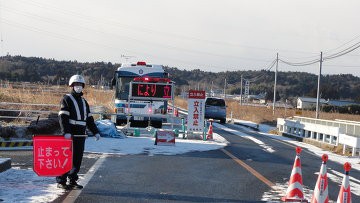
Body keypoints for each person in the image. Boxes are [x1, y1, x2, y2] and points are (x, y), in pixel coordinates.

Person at [57, 74, 101, 190]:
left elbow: (89, 119)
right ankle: (61, 181)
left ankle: (72, 180)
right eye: (76, 84)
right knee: (66, 158)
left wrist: (95, 132)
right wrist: (65, 131)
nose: (78, 87)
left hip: (81, 134)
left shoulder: (84, 101)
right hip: (70, 134)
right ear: (72, 86)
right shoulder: (66, 99)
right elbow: (63, 117)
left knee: (77, 159)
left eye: (80, 85)